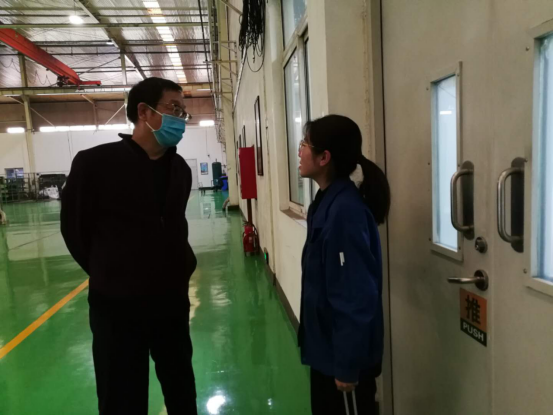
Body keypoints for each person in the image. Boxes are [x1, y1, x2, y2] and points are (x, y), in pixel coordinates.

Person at [61, 77, 198, 414]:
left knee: (181, 389)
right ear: (144, 112)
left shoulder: (179, 169)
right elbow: (74, 230)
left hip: (170, 302)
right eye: (174, 109)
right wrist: (109, 271)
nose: (181, 118)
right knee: (122, 396)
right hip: (117, 308)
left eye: (183, 111)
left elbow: (175, 226)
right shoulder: (95, 164)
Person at [298, 115, 391, 415]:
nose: (299, 151)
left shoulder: (344, 212)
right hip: (326, 352)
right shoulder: (324, 202)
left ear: (324, 157)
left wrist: (347, 365)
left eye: (305, 144)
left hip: (342, 363)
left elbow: (354, 295)